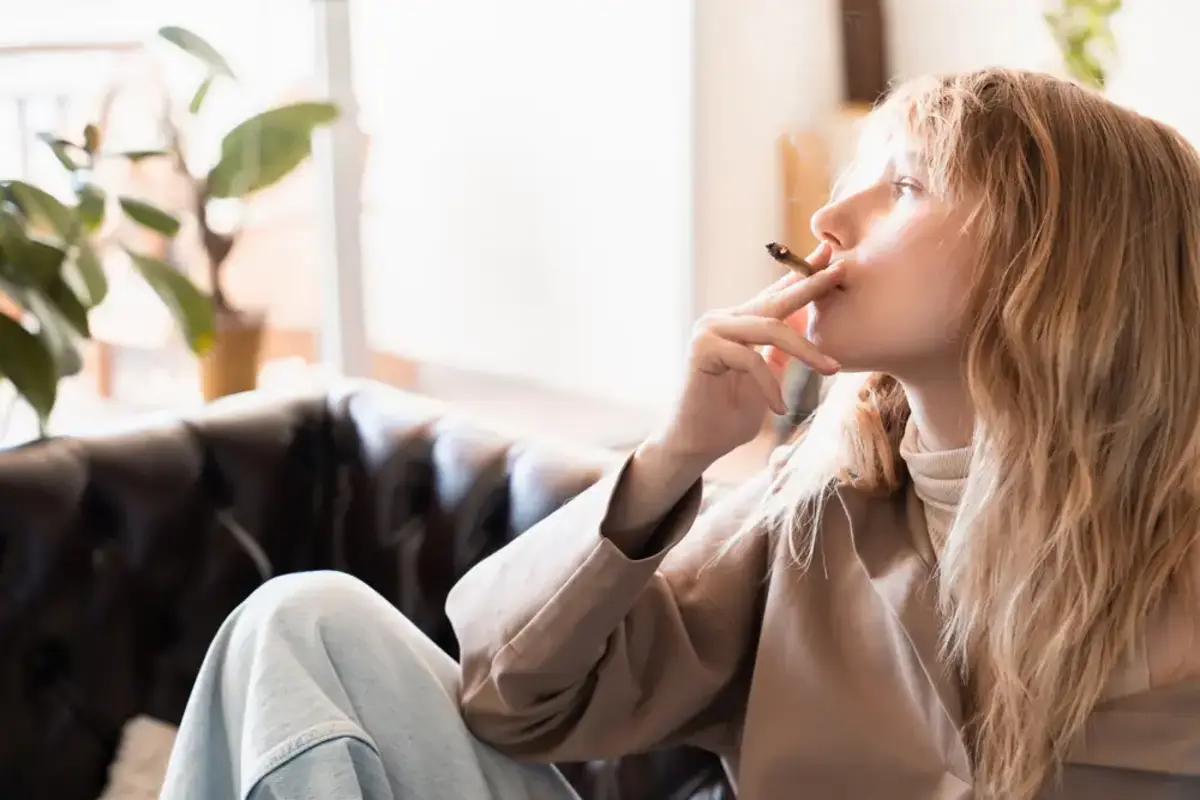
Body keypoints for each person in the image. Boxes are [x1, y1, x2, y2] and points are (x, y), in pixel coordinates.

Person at [159, 67, 1200, 800]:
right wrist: (672, 459)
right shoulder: (814, 509)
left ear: (1061, 262)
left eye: (908, 183)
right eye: (851, 177)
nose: (830, 216)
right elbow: (513, 700)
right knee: (302, 627)